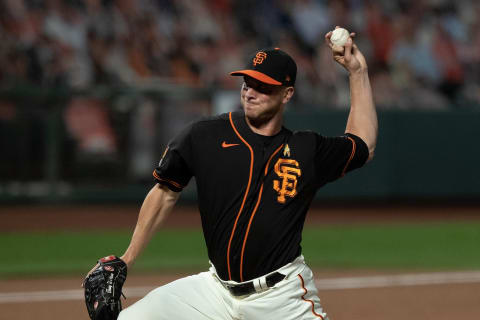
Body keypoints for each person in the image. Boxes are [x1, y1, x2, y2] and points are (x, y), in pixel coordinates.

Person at [91, 27, 377, 320]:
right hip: (215, 292)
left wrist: (357, 72)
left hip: (281, 298)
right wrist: (127, 258)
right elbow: (164, 193)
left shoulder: (306, 148)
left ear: (287, 94)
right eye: (247, 82)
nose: (251, 92)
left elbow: (362, 145)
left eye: (263, 86)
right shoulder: (204, 135)